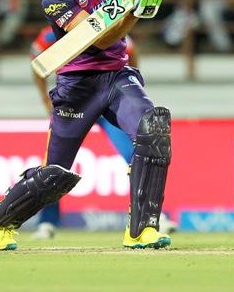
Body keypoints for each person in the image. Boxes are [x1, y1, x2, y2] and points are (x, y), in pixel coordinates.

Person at [0, 0, 187, 250]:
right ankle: (1, 219)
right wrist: (136, 12)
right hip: (77, 85)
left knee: (153, 129)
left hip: (117, 77)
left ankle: (141, 230)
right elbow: (100, 40)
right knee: (56, 176)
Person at [29, 30, 177, 239]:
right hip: (77, 101)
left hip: (109, 102)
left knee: (138, 154)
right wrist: (45, 99)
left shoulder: (109, 25)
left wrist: (129, 86)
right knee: (55, 165)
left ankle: (150, 218)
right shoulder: (52, 33)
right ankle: (47, 223)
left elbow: (131, 53)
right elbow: (36, 61)